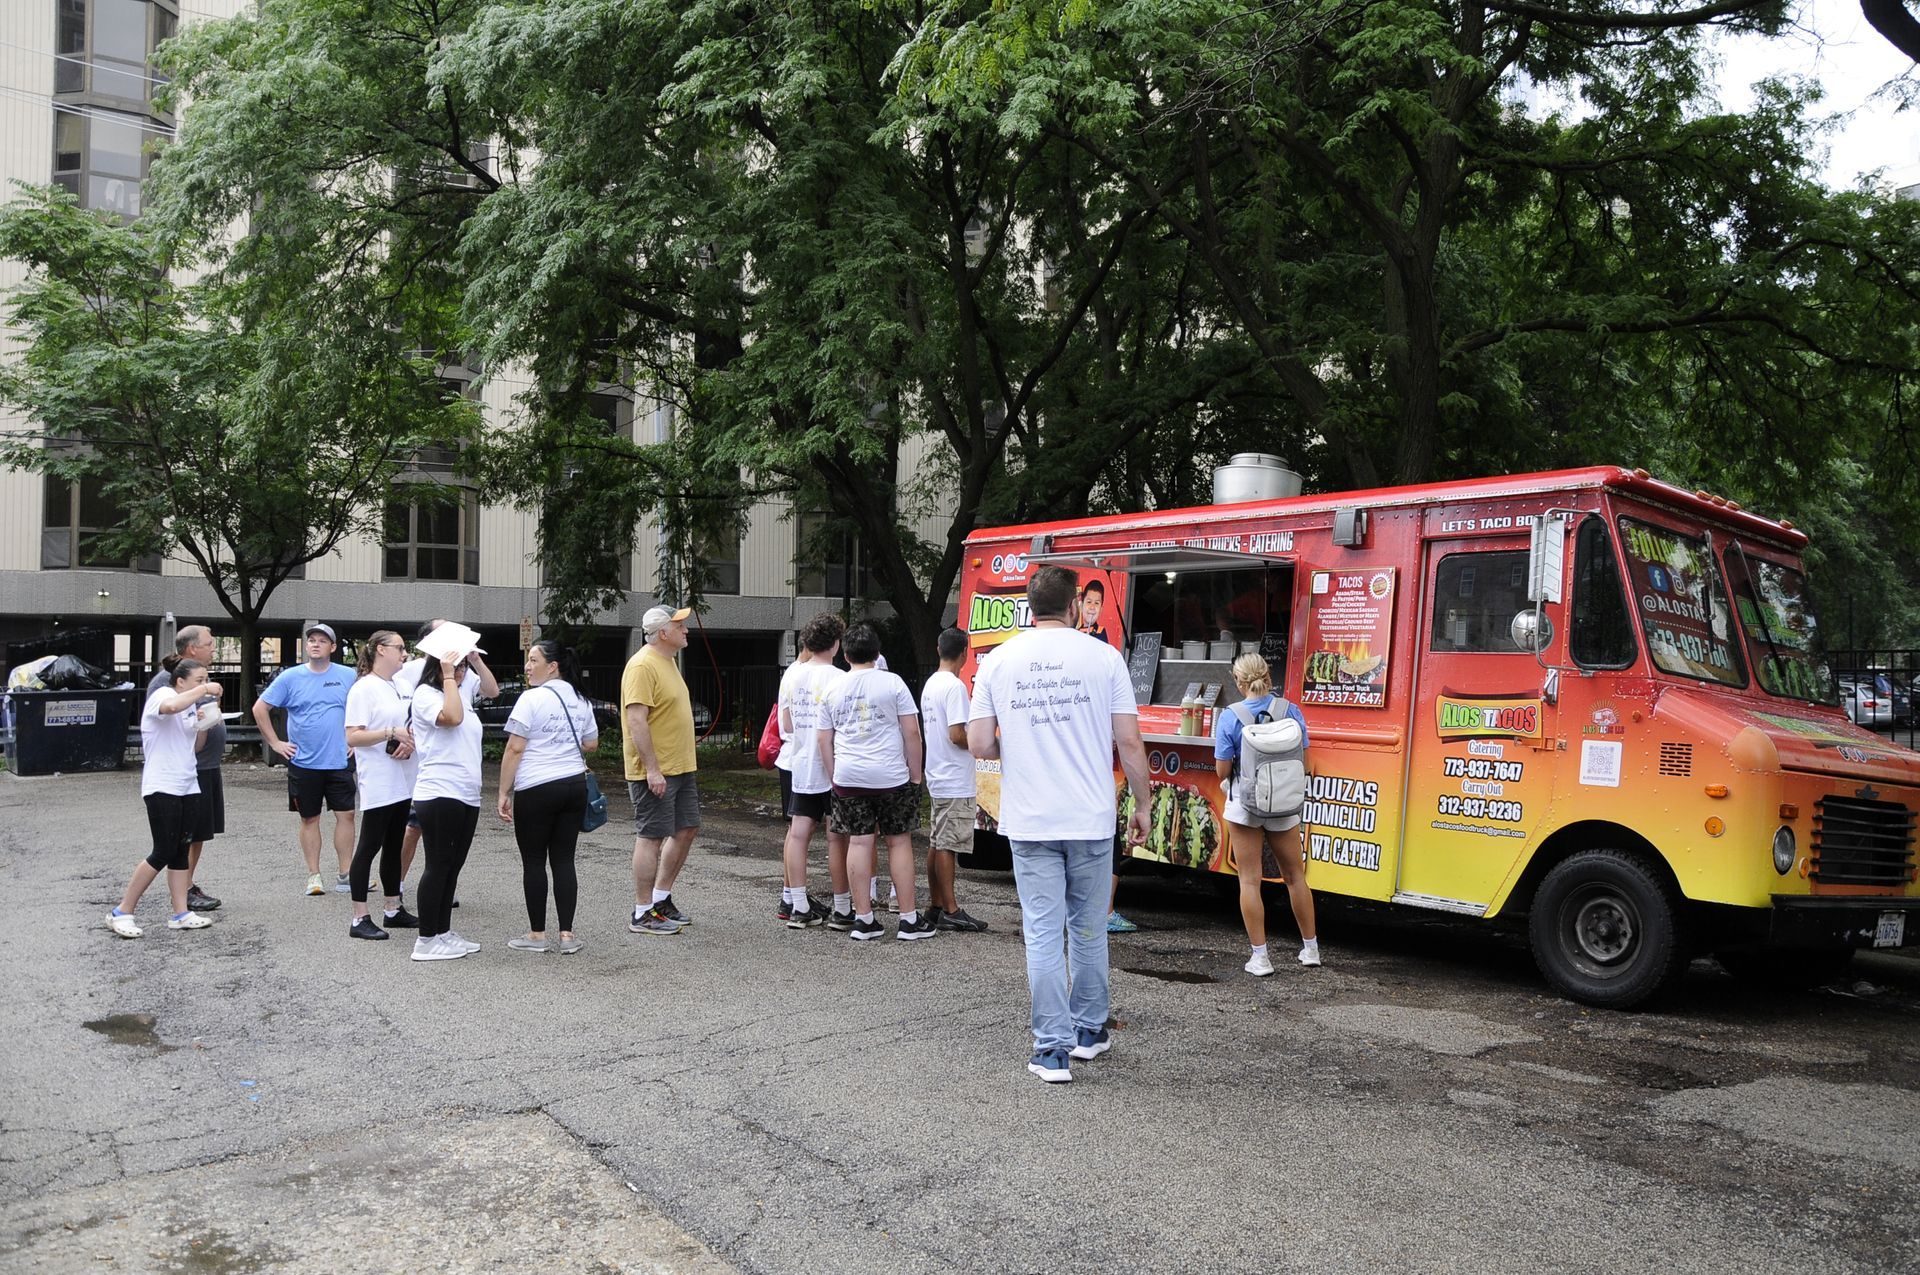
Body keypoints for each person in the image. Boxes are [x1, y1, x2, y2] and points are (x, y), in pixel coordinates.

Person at [970, 565, 1151, 1083]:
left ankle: (1051, 1050)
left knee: (1043, 934)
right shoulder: (1104, 657)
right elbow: (1130, 743)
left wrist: (1017, 746)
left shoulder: (999, 662)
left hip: (1030, 819)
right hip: (1091, 818)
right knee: (1090, 930)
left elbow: (980, 743)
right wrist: (1141, 803)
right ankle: (1089, 1031)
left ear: (1029, 607)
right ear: (1075, 606)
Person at [819, 623, 928, 941]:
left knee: (859, 841)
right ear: (877, 653)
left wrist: (833, 775)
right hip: (891, 776)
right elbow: (912, 733)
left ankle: (864, 919)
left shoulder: (833, 689)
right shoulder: (893, 684)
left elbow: (824, 740)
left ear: (846, 654)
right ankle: (908, 919)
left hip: (849, 777)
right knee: (898, 841)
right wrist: (915, 775)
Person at [1215, 652, 1320, 974]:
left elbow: (1222, 769)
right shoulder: (1292, 711)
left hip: (1245, 807)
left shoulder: (1231, 716)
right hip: (1284, 804)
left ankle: (1260, 958)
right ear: (1268, 677)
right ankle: (1311, 949)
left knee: (1249, 880)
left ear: (1239, 682)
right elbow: (1303, 757)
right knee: (1295, 877)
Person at [106, 657, 223, 938]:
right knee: (163, 850)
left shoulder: (188, 706)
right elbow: (170, 707)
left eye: (206, 680)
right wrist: (203, 692)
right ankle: (122, 911)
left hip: (187, 783)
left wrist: (205, 721)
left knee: (181, 849)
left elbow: (196, 745)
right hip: (162, 785)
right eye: (199, 680)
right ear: (180, 681)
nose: (204, 685)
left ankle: (180, 912)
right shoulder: (164, 694)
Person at [497, 640, 599, 954]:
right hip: (573, 786)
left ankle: (537, 935)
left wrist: (503, 791)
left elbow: (515, 748)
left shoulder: (532, 698)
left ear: (552, 666)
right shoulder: (581, 700)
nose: (528, 666)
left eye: (533, 660)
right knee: (564, 860)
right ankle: (567, 936)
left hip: (537, 787)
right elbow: (591, 743)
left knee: (533, 861)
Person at [395, 619, 501, 900]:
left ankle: (441, 893)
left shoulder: (464, 670)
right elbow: (405, 704)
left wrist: (475, 660)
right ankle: (398, 884)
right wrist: (405, 733)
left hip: (461, 778)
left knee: (445, 853)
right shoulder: (417, 673)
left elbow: (492, 691)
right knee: (413, 830)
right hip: (432, 772)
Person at [253, 622, 356, 896]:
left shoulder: (349, 675)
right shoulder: (290, 677)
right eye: (311, 640)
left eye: (322, 640)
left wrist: (358, 740)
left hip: (339, 760)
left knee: (346, 815)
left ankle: (346, 874)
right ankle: (314, 875)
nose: (315, 644)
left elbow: (367, 707)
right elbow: (260, 708)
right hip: (304, 762)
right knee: (309, 818)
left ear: (333, 648)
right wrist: (275, 743)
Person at [623, 605, 699, 935]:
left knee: (687, 828)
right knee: (652, 836)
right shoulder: (642, 665)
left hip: (680, 767)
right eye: (680, 625)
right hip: (657, 770)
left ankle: (660, 898)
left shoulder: (667, 662)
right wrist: (652, 769)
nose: (686, 630)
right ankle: (642, 912)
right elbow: (636, 719)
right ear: (663, 633)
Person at [409, 647, 485, 961]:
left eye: (465, 665)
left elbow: (483, 693)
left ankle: (442, 931)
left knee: (452, 867)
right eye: (457, 666)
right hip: (439, 790)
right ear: (439, 668)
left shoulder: (460, 695)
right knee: (438, 865)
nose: (463, 671)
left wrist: (462, 672)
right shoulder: (426, 695)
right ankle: (425, 940)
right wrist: (449, 676)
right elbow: (451, 719)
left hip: (466, 792)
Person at [343, 631, 418, 940]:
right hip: (378, 778)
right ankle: (359, 917)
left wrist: (407, 738)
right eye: (399, 648)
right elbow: (353, 736)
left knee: (393, 844)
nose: (404, 653)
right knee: (369, 845)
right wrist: (390, 732)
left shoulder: (398, 685)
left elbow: (408, 725)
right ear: (380, 650)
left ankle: (392, 908)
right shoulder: (363, 689)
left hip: (401, 777)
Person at [777, 612, 848, 928]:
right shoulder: (839, 679)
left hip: (802, 765)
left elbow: (787, 724)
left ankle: (799, 905)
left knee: (798, 834)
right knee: (837, 838)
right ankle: (843, 907)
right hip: (833, 769)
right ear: (835, 645)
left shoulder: (793, 676)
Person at [146, 625, 224, 913]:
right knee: (178, 840)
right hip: (184, 772)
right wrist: (203, 690)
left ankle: (187, 888)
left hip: (204, 766)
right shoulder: (167, 683)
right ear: (192, 648)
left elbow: (196, 723)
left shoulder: (196, 679)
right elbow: (168, 710)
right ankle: (182, 891)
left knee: (200, 832)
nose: (213, 649)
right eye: (210, 644)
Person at [920, 626, 988, 932]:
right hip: (954, 776)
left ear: (937, 648)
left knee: (937, 841)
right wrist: (982, 741)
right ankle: (950, 908)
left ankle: (936, 905)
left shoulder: (931, 684)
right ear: (964, 653)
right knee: (948, 844)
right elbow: (957, 734)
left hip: (936, 772)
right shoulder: (955, 687)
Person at [1076, 577, 1112, 645]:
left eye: (1096, 603)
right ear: (1081, 605)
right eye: (1089, 602)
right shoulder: (1075, 632)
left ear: (1101, 609)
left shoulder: (1100, 633)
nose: (1092, 607)